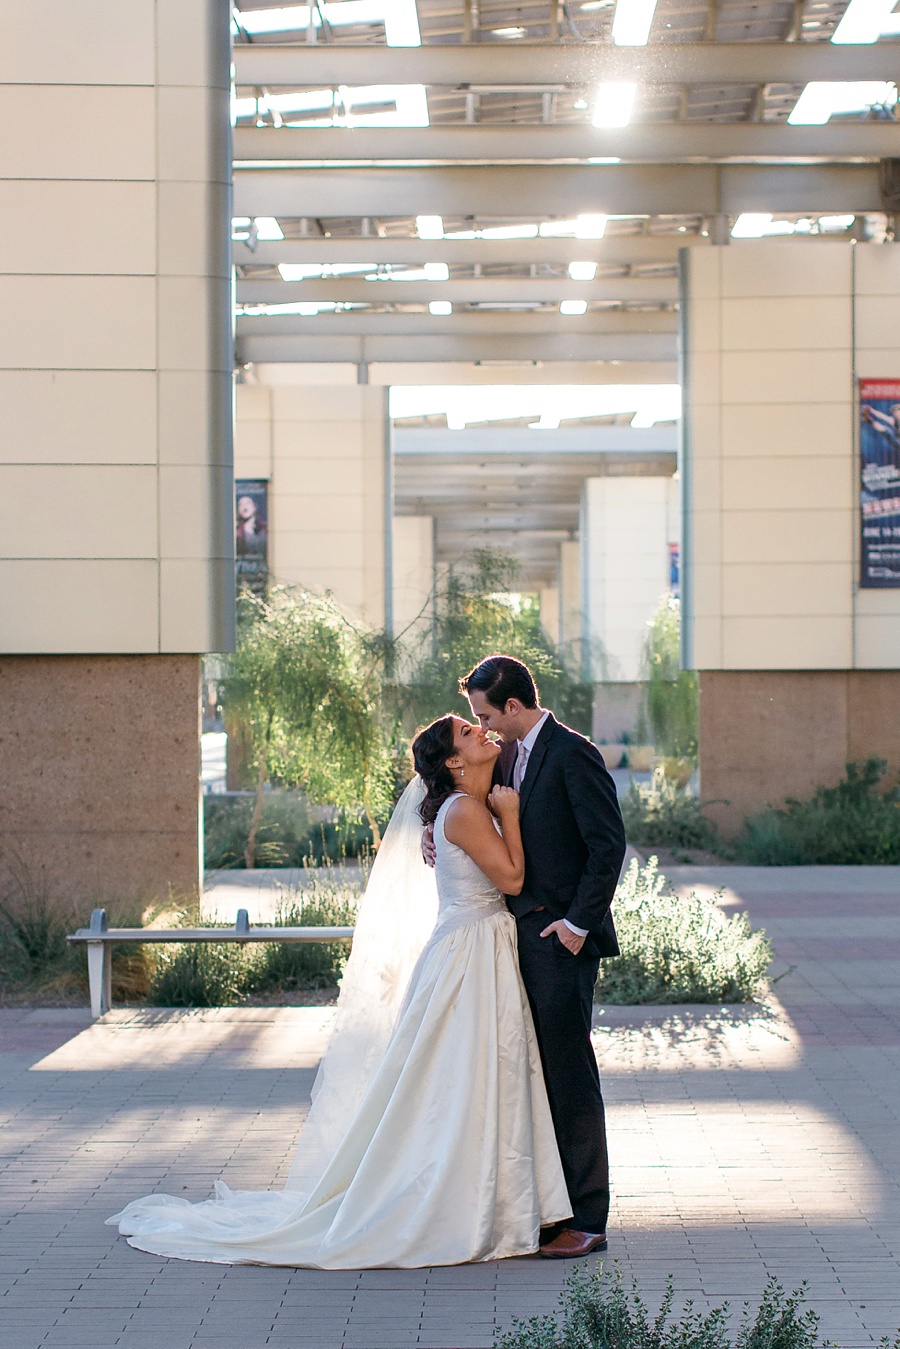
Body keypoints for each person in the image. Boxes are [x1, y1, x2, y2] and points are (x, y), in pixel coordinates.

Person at [106, 716, 571, 1268]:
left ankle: (478, 1197)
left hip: (476, 946)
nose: (481, 733)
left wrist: (500, 812)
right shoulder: (467, 811)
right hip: (472, 951)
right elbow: (513, 880)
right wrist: (511, 816)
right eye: (470, 733)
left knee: (467, 1077)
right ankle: (464, 1202)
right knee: (466, 1074)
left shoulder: (463, 809)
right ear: (453, 761)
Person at [448, 654, 626, 1259]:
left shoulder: (573, 752)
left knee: (569, 1073)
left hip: (560, 942)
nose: (485, 726)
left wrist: (577, 924)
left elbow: (607, 845)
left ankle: (589, 1218)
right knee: (535, 1074)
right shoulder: (510, 757)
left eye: (487, 715)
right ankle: (550, 1208)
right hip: (513, 938)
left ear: (515, 707)